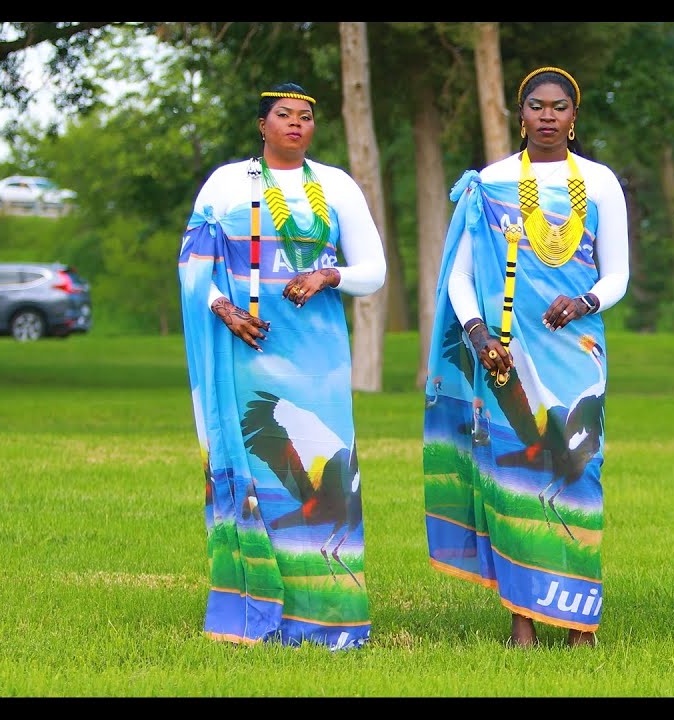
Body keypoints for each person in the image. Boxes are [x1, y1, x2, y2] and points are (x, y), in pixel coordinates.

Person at [422, 66, 629, 648]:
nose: (546, 115)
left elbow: (618, 275)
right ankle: (523, 620)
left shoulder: (599, 182)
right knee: (512, 475)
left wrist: (585, 300)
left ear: (573, 116)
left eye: (558, 107)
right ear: (521, 115)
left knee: (577, 469)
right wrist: (478, 333)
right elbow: (460, 276)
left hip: (576, 349)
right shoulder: (489, 183)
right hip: (504, 356)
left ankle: (579, 621)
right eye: (536, 106)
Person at [177, 82, 386, 650]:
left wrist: (328, 275)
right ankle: (252, 609)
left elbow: (375, 269)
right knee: (260, 464)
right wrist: (223, 308)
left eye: (306, 117)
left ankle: (330, 616)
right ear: (262, 124)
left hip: (318, 358)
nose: (296, 124)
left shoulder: (336, 186)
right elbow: (193, 267)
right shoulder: (225, 184)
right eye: (284, 116)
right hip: (247, 355)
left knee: (327, 467)